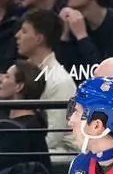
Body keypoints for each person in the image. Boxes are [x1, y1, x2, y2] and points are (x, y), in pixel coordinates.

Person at [16, 9, 76, 155]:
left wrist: (18, 150)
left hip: (58, 153)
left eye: (24, 31)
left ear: (39, 39)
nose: (17, 35)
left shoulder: (60, 81)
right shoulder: (18, 72)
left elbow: (54, 135)